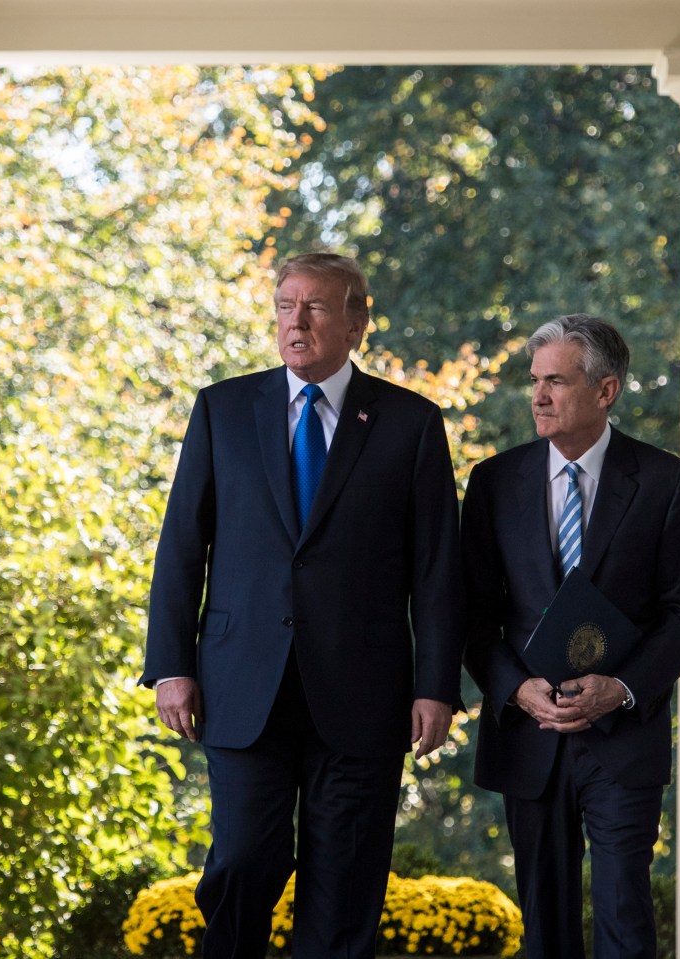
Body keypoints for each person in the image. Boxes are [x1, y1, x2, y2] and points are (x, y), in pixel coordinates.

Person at [142, 252, 465, 959]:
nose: (297, 322)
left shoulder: (410, 423)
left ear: (357, 323)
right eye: (286, 306)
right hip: (241, 684)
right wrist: (170, 664)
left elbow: (438, 569)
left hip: (363, 692)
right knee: (242, 859)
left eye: (315, 307)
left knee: (345, 884)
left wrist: (436, 685)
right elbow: (182, 545)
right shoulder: (223, 409)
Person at [461, 314, 680, 959]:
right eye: (535, 381)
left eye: (556, 382)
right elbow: (471, 613)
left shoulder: (666, 482)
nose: (539, 396)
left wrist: (621, 688)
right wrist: (517, 690)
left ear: (606, 391)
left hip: (623, 738)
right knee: (545, 926)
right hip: (530, 735)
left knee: (625, 917)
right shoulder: (493, 482)